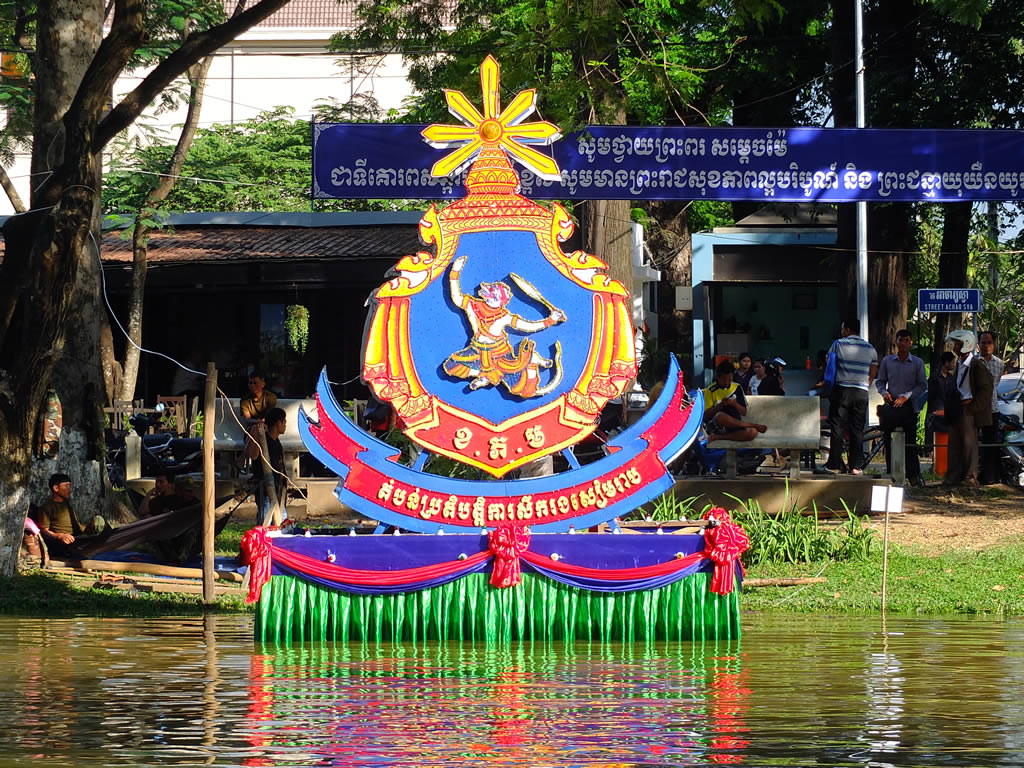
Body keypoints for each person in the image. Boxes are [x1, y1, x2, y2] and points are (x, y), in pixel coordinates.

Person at [823, 318, 878, 475]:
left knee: (838, 427)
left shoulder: (838, 344)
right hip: (861, 392)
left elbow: (829, 364)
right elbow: (872, 373)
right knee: (857, 429)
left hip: (842, 390)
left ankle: (834, 464)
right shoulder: (870, 348)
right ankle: (856, 466)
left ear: (847, 329)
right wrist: (863, 385)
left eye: (843, 329)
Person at [875, 329, 927, 486]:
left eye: (906, 340)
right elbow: (880, 381)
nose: (903, 344)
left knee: (910, 443)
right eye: (900, 340)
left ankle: (914, 476)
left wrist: (907, 396)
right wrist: (884, 393)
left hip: (909, 406)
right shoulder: (887, 361)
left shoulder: (918, 363)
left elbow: (922, 385)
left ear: (911, 343)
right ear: (896, 342)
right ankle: (892, 473)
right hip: (891, 406)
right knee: (889, 441)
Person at [945, 330, 993, 487]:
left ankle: (970, 477)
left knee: (969, 444)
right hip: (958, 408)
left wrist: (973, 409)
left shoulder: (977, 365)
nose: (955, 346)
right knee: (954, 444)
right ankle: (954, 476)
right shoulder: (960, 363)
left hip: (968, 410)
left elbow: (986, 390)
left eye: (958, 343)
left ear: (966, 344)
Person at [35, 473, 107, 558]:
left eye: (69, 486)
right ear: (56, 488)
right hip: (65, 545)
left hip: (78, 539)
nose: (69, 489)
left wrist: (90, 528)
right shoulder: (47, 507)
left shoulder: (67, 504)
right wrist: (60, 536)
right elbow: (44, 531)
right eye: (66, 486)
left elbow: (78, 527)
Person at [702, 360, 768, 442]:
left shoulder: (737, 387)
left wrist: (735, 404)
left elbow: (744, 412)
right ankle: (753, 425)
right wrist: (721, 405)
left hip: (734, 425)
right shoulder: (710, 390)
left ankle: (719, 437)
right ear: (718, 377)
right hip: (717, 425)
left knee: (753, 432)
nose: (727, 383)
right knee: (721, 416)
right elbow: (706, 415)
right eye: (724, 380)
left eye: (729, 380)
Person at [244, 406, 289, 524]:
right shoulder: (264, 439)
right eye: (284, 422)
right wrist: (256, 435)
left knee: (282, 523)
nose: (285, 425)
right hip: (264, 488)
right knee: (265, 523)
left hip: (277, 488)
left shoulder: (277, 443)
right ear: (278, 422)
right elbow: (253, 455)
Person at [977, 330, 1005, 484]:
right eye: (983, 342)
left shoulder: (999, 364)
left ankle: (990, 477)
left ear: (993, 345)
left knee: (991, 443)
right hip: (974, 409)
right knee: (972, 443)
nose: (986, 346)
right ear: (978, 344)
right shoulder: (974, 362)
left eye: (989, 342)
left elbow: (996, 384)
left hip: (992, 408)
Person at [927, 351, 958, 451]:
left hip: (948, 412)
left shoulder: (952, 379)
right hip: (935, 412)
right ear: (946, 363)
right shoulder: (934, 378)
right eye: (952, 362)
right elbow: (931, 397)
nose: (954, 365)